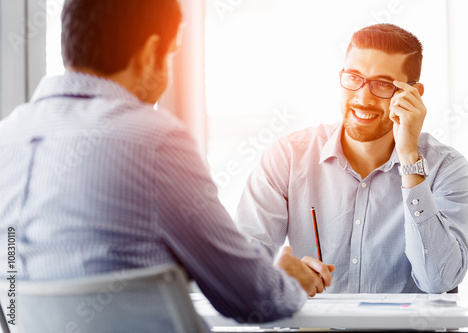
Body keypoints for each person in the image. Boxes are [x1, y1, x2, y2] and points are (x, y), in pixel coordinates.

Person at [0, 0, 335, 328]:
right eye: (172, 54)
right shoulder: (154, 139)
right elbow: (253, 299)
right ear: (149, 53)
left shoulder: (7, 136)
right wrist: (288, 280)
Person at [235, 23, 468, 294]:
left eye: (383, 84)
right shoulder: (288, 157)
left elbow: (438, 280)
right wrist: (277, 273)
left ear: (413, 95)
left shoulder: (447, 167)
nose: (363, 98)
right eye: (353, 78)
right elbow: (240, 270)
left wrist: (410, 158)